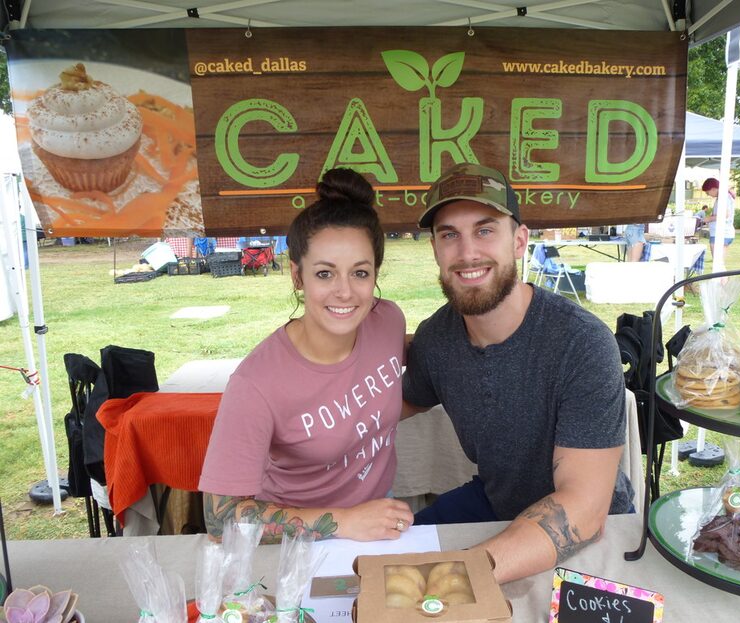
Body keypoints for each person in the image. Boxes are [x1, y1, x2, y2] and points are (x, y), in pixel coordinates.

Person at [403, 163, 633, 583]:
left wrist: (459, 576)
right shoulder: (437, 338)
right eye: (449, 234)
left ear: (519, 241)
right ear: (435, 249)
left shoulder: (581, 343)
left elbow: (582, 508)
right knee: (387, 553)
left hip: (593, 532)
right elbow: (386, 405)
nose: (467, 252)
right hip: (494, 503)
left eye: (485, 230)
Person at [199, 168, 413, 543]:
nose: (345, 292)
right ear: (297, 276)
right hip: (294, 542)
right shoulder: (256, 384)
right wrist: (343, 522)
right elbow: (221, 520)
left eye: (360, 273)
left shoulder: (388, 321)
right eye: (325, 274)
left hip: (378, 520)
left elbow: (405, 365)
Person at [701, 177, 736, 264]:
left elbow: (725, 214)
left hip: (720, 233)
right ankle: (722, 278)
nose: (707, 194)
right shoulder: (723, 196)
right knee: (720, 264)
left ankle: (722, 278)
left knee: (718, 264)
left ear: (713, 189)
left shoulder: (724, 197)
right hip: (724, 233)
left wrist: (708, 219)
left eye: (707, 192)